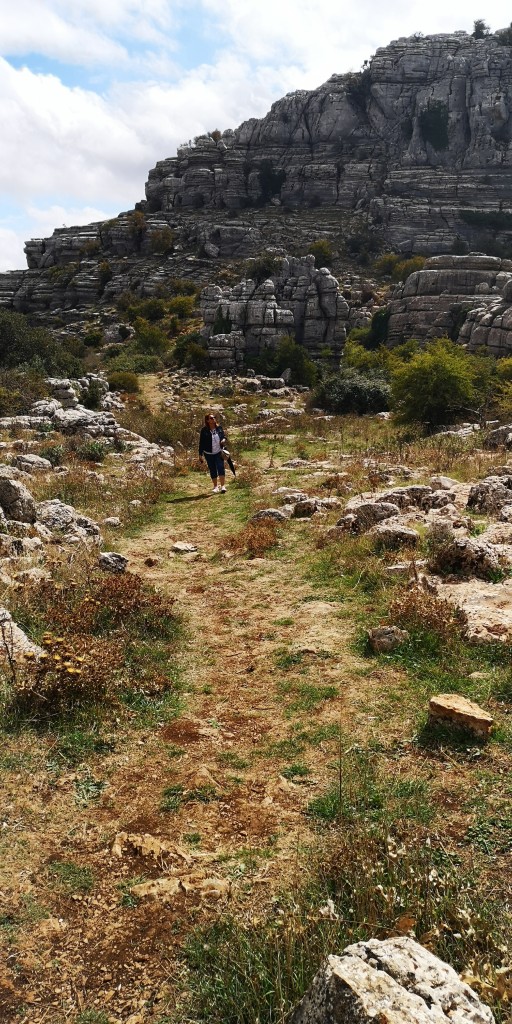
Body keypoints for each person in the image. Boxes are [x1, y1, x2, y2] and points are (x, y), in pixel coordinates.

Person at [198, 413, 228, 493]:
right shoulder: (204, 430)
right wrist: (200, 454)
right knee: (212, 469)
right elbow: (201, 443)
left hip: (219, 452)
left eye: (214, 417)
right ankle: (215, 486)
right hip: (208, 453)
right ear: (207, 420)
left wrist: (224, 440)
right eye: (211, 418)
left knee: (220, 467)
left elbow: (224, 436)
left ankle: (223, 486)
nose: (213, 419)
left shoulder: (219, 428)